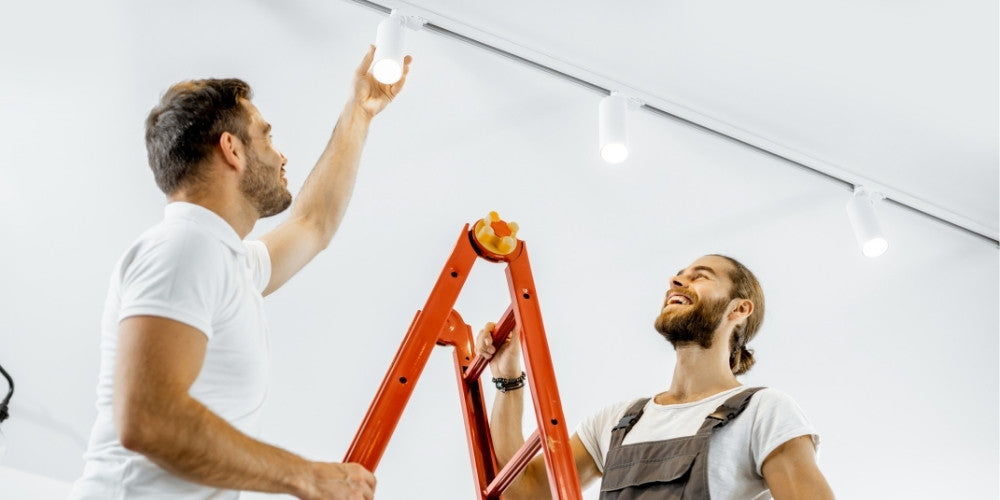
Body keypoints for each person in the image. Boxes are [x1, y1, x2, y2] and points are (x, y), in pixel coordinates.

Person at [71, 46, 411, 500]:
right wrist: (307, 476)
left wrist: (360, 112)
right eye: (266, 137)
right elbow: (148, 418)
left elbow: (314, 224)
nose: (281, 156)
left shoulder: (225, 260)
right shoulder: (185, 248)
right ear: (231, 149)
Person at [477, 254, 835, 499]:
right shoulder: (617, 422)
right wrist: (509, 380)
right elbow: (522, 491)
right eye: (680, 274)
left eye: (701, 276)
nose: (677, 279)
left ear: (739, 309)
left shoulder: (762, 411)